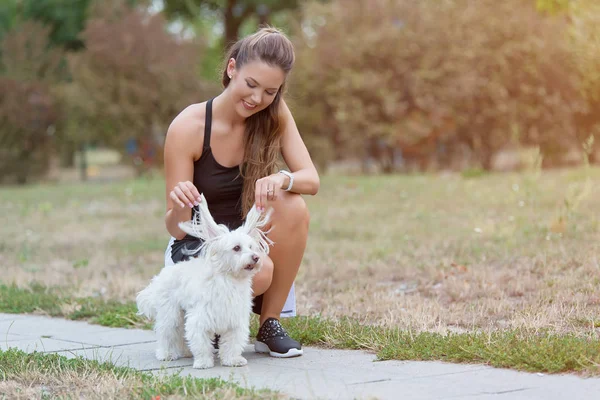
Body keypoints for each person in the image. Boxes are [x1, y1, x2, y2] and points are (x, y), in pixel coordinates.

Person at [162, 26, 320, 358]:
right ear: (232, 69)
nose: (257, 98)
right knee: (260, 271)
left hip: (248, 242)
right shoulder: (188, 127)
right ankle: (212, 323)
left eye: (269, 91)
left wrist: (281, 179)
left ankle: (269, 324)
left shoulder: (273, 113)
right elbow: (176, 229)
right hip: (201, 245)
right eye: (251, 85)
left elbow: (310, 179)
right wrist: (180, 204)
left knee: (294, 207)